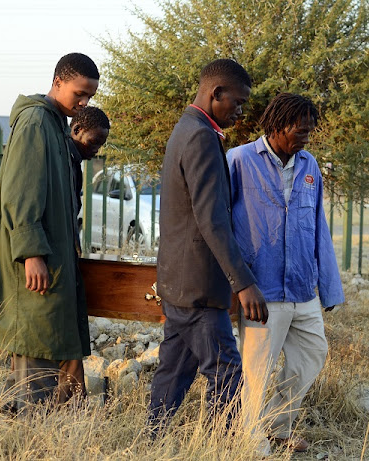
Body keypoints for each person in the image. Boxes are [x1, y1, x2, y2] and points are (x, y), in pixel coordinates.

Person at [0, 53, 100, 409]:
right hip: (35, 257)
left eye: (90, 97)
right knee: (35, 338)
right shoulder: (36, 122)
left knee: (45, 338)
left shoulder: (54, 123)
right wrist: (32, 253)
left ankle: (20, 415)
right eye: (79, 93)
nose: (84, 103)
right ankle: (28, 429)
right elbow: (22, 193)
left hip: (51, 254)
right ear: (58, 82)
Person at [147, 59, 268, 437]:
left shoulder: (188, 128)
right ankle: (219, 447)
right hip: (198, 286)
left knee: (175, 368)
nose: (241, 110)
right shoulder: (199, 135)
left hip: (179, 282)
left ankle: (153, 439)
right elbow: (211, 220)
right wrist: (243, 283)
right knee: (227, 371)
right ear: (216, 94)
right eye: (238, 102)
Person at [226, 93, 344, 453]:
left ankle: (277, 426)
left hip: (302, 288)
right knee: (256, 371)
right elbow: (219, 224)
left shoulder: (310, 165)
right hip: (261, 291)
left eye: (310, 129)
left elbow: (317, 226)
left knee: (312, 354)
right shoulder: (239, 160)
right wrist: (236, 282)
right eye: (300, 128)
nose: (306, 135)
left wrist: (330, 287)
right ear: (277, 126)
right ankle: (250, 439)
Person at [69, 106, 110, 214]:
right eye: (92, 142)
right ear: (77, 130)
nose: (96, 150)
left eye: (100, 145)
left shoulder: (74, 163)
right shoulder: (60, 160)